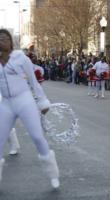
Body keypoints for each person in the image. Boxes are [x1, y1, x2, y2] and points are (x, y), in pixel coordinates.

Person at [0, 29, 59, 189]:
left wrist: (42, 101)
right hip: (6, 103)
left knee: (37, 137)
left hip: (24, 100)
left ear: (10, 41)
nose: (2, 41)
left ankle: (53, 174)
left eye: (5, 38)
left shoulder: (20, 57)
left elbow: (33, 81)